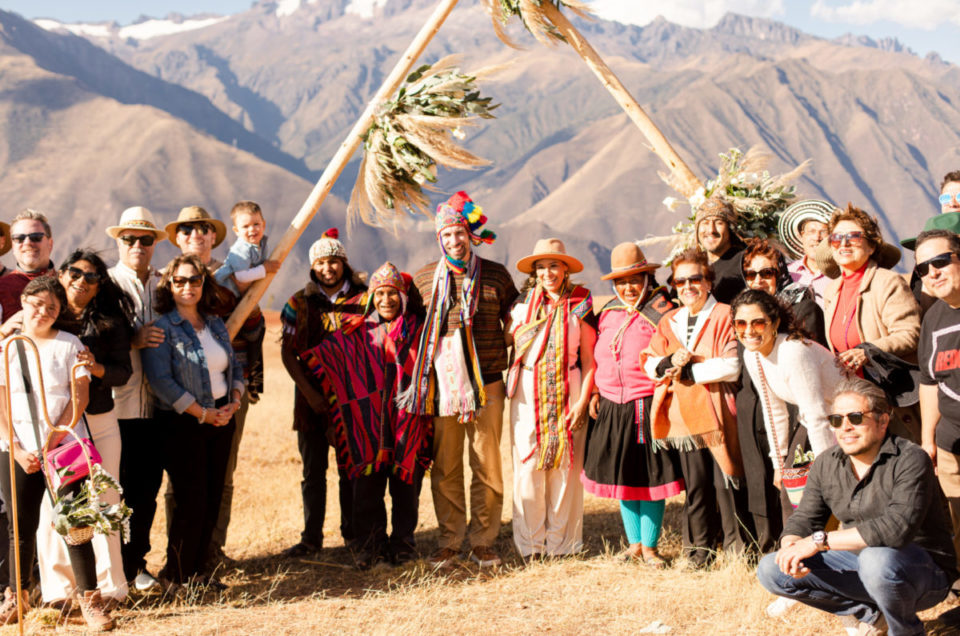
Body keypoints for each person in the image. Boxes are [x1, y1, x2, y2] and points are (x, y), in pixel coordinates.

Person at [757, 377, 956, 636]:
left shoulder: (911, 459)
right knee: (771, 569)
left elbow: (894, 530)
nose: (845, 427)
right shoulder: (826, 463)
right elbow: (804, 517)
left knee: (876, 559)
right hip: (860, 563)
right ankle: (872, 615)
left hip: (922, 570)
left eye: (855, 417)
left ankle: (906, 631)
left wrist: (817, 541)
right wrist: (791, 546)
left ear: (883, 420)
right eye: (837, 420)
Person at [401, 191, 519, 568]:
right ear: (440, 239)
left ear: (471, 236)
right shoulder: (422, 279)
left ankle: (484, 539)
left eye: (460, 234)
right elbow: (410, 328)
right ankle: (450, 539)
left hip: (488, 384)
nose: (455, 241)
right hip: (443, 388)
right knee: (446, 464)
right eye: (447, 235)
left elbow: (515, 318)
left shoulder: (497, 275)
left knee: (487, 463)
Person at [0, 277, 114, 630]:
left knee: (75, 523)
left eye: (52, 307)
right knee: (20, 525)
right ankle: (16, 597)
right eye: (37, 304)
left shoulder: (70, 344)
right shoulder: (6, 346)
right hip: (15, 448)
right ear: (23, 301)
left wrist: (51, 441)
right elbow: (1, 399)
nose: (43, 312)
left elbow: (79, 396)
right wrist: (16, 448)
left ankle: (90, 601)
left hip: (63, 447)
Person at [303, 262, 431, 569]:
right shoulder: (356, 334)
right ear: (371, 297)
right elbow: (320, 359)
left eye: (392, 294)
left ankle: (403, 545)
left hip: (406, 425)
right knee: (367, 491)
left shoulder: (419, 331)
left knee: (406, 490)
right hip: (366, 428)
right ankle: (371, 548)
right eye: (380, 294)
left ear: (402, 295)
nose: (386, 300)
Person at [34, 251, 134, 608]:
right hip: (56, 425)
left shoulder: (110, 322)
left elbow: (124, 372)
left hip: (99, 421)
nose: (81, 280)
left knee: (104, 501)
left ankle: (111, 590)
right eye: (74, 272)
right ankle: (59, 593)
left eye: (90, 277)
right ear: (61, 275)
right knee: (55, 506)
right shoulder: (44, 314)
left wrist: (97, 368)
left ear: (98, 286)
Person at [142, 255, 243, 586]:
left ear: (204, 284)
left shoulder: (214, 324)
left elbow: (234, 367)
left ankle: (200, 572)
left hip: (221, 417)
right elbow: (161, 381)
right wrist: (202, 413)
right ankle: (177, 574)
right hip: (181, 423)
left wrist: (234, 401)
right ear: (169, 286)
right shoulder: (162, 329)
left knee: (213, 494)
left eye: (194, 280)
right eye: (180, 281)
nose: (188, 286)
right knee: (191, 498)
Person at [581, 242, 683, 567]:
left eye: (635, 280)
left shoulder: (663, 312)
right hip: (612, 405)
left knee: (649, 477)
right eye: (622, 282)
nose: (628, 287)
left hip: (646, 404)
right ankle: (634, 544)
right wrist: (596, 392)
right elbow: (596, 356)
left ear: (647, 278)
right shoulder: (608, 313)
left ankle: (651, 546)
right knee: (623, 475)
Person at [642, 248, 744, 568]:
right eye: (680, 280)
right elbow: (648, 359)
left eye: (695, 279)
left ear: (708, 281)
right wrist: (667, 364)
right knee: (696, 486)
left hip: (719, 410)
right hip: (684, 416)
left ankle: (738, 551)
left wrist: (689, 371)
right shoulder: (670, 320)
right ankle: (699, 553)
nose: (687, 286)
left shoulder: (727, 314)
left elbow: (733, 364)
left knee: (725, 481)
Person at [504, 239, 595, 559]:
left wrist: (583, 401)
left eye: (554, 265)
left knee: (566, 468)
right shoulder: (520, 307)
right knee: (528, 467)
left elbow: (588, 359)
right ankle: (530, 545)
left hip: (568, 388)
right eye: (541, 267)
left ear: (566, 268)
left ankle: (562, 544)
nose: (548, 273)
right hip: (529, 393)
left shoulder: (581, 303)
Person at [279, 229, 367, 558]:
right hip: (309, 400)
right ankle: (311, 538)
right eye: (320, 262)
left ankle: (353, 535)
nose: (327, 268)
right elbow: (289, 354)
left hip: (353, 400)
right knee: (312, 473)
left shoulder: (364, 298)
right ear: (312, 267)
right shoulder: (297, 303)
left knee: (351, 470)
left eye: (333, 261)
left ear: (343, 263)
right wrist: (311, 395)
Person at [731, 289, 840, 551]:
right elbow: (774, 411)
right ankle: (796, 565)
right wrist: (779, 463)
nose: (749, 331)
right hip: (812, 422)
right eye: (740, 323)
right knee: (791, 489)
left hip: (842, 422)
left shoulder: (793, 351)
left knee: (830, 495)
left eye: (758, 322)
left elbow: (817, 414)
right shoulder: (751, 354)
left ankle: (824, 563)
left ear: (775, 323)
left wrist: (827, 470)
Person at [820, 204, 922, 441]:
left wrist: (869, 351)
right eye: (836, 238)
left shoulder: (888, 282)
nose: (844, 244)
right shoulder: (831, 291)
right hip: (856, 405)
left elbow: (910, 333)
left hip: (893, 399)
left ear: (872, 246)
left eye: (853, 237)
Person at [106, 207, 168, 593]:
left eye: (146, 239)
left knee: (147, 490)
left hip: (159, 405)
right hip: (117, 406)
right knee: (116, 490)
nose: (138, 245)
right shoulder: (106, 284)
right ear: (118, 241)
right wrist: (133, 340)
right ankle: (112, 568)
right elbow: (92, 335)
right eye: (130, 238)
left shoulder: (166, 285)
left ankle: (136, 564)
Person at [915, 228, 960, 569]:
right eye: (923, 267)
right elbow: (930, 382)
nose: (932, 272)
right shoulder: (933, 317)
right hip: (951, 449)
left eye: (941, 261)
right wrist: (928, 440)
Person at [214, 201, 281, 403]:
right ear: (236, 230)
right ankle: (247, 378)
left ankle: (250, 377)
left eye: (256, 224)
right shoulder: (241, 249)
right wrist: (265, 269)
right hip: (224, 298)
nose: (252, 230)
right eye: (245, 226)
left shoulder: (259, 245)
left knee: (255, 335)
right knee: (231, 339)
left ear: (264, 224)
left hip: (238, 299)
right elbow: (241, 277)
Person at [740, 238, 825, 346]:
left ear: (780, 275)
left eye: (767, 273)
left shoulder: (803, 308)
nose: (758, 281)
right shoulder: (742, 311)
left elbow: (812, 353)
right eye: (751, 274)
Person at [0, 210, 56, 322]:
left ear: (50, 243)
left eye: (36, 237)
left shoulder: (70, 285)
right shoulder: (1, 288)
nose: (27, 243)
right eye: (19, 238)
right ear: (13, 245)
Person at [780, 199, 834, 309]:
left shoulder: (838, 274)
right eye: (811, 231)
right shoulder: (788, 272)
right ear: (802, 236)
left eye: (823, 232)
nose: (817, 238)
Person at [693, 198, 746, 304]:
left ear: (730, 229)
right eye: (705, 223)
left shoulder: (744, 261)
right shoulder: (693, 265)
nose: (711, 230)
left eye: (719, 223)